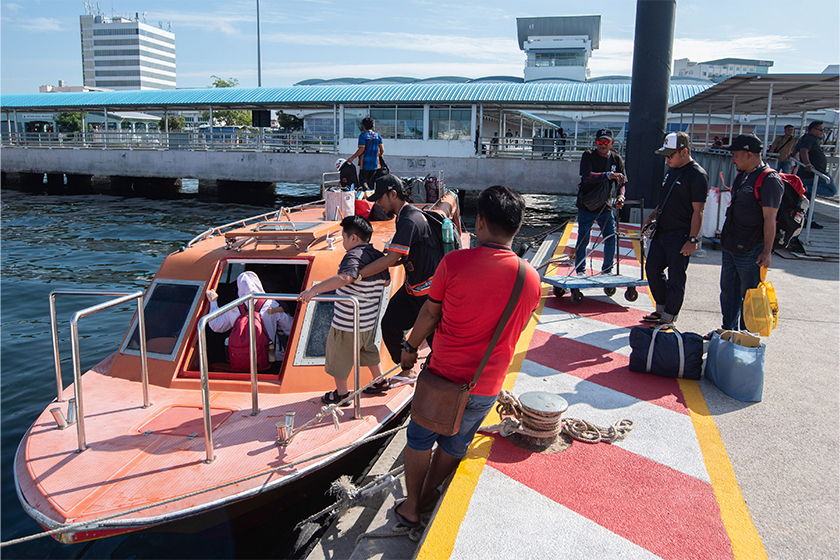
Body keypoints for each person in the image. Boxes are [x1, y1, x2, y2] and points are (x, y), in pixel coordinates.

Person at [392, 185, 542, 528]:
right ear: (517, 228)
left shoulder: (454, 262)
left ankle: (412, 505)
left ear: (482, 221)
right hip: (486, 384)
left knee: (418, 439)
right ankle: (430, 495)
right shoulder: (530, 278)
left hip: (443, 377)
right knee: (456, 443)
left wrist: (410, 349)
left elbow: (429, 314)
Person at [359, 174, 441, 390]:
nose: (377, 203)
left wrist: (358, 274)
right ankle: (407, 369)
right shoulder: (405, 217)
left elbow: (392, 258)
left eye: (380, 198)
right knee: (390, 325)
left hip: (428, 296)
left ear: (393, 194)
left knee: (438, 344)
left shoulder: (409, 220)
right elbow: (401, 256)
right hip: (413, 289)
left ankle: (443, 385)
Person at [298, 215, 391, 405]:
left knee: (337, 357)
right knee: (367, 350)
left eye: (344, 236)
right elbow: (387, 281)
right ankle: (380, 381)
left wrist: (314, 290)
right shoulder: (377, 256)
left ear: (353, 238)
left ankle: (342, 394)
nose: (343, 241)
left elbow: (345, 277)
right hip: (366, 321)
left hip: (346, 323)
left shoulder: (353, 256)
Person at [716, 134, 783, 331]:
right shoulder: (742, 175)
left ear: (748, 154)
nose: (733, 158)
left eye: (736, 154)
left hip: (751, 249)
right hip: (731, 245)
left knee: (750, 297)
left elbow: (770, 219)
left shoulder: (769, 180)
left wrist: (767, 252)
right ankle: (728, 331)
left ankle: (746, 338)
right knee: (728, 293)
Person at [642, 132, 709, 326]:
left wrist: (693, 240)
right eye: (665, 155)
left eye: (670, 155)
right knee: (652, 268)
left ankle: (670, 315)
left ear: (684, 152)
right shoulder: (671, 170)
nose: (667, 159)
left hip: (681, 234)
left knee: (676, 277)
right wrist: (651, 217)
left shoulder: (697, 175)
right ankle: (661, 308)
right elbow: (665, 199)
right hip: (662, 230)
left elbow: (699, 211)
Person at [205, 271, 293, 363]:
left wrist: (213, 302)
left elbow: (216, 326)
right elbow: (289, 328)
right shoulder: (272, 304)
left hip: (242, 359)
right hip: (270, 357)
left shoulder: (234, 307)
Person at [574, 128, 626, 276]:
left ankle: (607, 270)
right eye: (600, 142)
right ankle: (580, 271)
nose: (603, 145)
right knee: (583, 240)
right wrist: (608, 175)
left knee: (610, 238)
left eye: (606, 142)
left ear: (612, 143)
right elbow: (586, 176)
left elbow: (622, 183)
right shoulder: (588, 155)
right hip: (586, 207)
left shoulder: (616, 159)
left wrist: (621, 197)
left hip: (605, 207)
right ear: (596, 142)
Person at [795, 121, 837, 199]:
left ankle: (806, 190)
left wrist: (791, 155)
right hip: (814, 173)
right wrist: (808, 164)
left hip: (814, 173)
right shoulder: (809, 138)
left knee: (806, 200)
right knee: (832, 190)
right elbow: (804, 151)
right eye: (821, 130)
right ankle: (805, 188)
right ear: (813, 130)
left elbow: (796, 149)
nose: (822, 132)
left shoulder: (806, 138)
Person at [347, 117, 384, 191]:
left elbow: (361, 149)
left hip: (365, 163)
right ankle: (372, 197)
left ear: (363, 126)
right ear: (373, 126)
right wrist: (380, 155)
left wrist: (352, 157)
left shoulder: (363, 136)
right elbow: (382, 150)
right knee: (371, 182)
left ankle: (367, 196)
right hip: (375, 163)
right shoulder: (377, 136)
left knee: (363, 181)